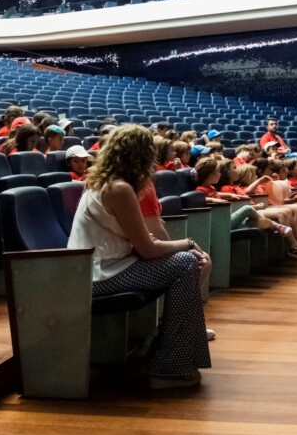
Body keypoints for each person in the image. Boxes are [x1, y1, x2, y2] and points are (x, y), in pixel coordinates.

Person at [67, 124, 211, 389]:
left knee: (185, 261)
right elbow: (147, 249)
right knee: (186, 263)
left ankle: (167, 349)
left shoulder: (106, 183)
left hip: (108, 266)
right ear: (140, 156)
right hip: (98, 275)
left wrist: (176, 247)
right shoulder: (119, 188)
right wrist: (188, 243)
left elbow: (139, 242)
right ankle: (169, 369)